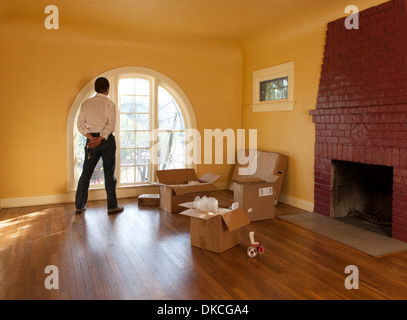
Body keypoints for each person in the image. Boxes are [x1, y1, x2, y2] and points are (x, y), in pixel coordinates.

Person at [75, 77, 124, 215]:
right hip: (107, 141)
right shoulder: (110, 104)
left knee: (86, 174)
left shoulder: (86, 103)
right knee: (109, 174)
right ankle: (112, 207)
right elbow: (111, 125)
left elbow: (80, 125)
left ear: (96, 88)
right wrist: (100, 139)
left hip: (91, 141)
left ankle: (79, 205)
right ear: (107, 89)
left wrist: (92, 139)